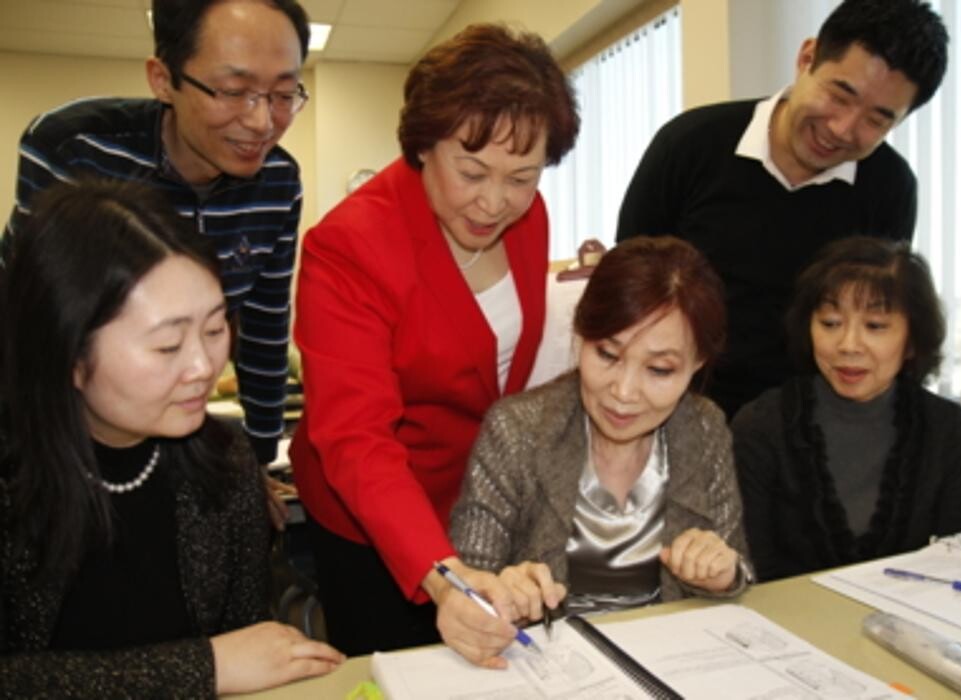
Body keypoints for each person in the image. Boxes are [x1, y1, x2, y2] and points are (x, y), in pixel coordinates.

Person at [289, 23, 580, 656]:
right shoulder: (350, 247)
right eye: (472, 172)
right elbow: (355, 436)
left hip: (476, 497)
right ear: (423, 145)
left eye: (522, 176)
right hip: (374, 515)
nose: (495, 203)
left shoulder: (529, 217)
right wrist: (442, 574)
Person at [0, 180, 343, 698]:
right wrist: (203, 667)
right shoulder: (14, 476)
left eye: (214, 330)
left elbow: (250, 651)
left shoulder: (223, 465)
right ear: (68, 353)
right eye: (167, 346)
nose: (205, 366)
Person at [2, 0, 312, 472]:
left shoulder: (279, 182)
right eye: (234, 91)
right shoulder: (75, 147)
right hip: (60, 432)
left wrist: (259, 461)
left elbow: (265, 330)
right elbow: (28, 319)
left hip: (177, 422)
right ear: (163, 79)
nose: (262, 123)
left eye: (284, 95)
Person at [616, 0, 949, 420]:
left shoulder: (889, 188)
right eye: (840, 95)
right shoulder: (690, 143)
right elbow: (627, 285)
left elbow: (873, 316)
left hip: (804, 427)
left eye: (877, 120)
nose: (842, 129)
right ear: (807, 57)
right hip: (676, 409)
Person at [443, 236, 752, 668]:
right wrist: (499, 594)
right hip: (547, 669)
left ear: (697, 363)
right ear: (580, 335)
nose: (623, 392)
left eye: (659, 369)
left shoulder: (704, 427)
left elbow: (738, 569)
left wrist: (721, 574)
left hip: (670, 663)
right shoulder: (517, 430)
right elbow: (465, 587)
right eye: (607, 354)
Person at [731, 236, 961, 582]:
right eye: (830, 323)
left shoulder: (952, 433)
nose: (848, 346)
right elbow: (754, 569)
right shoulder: (760, 426)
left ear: (912, 340)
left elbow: (942, 565)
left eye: (875, 326)